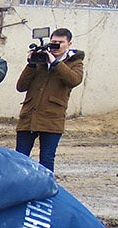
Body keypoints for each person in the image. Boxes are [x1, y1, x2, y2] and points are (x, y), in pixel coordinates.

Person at [15, 28, 84, 172]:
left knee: (46, 159)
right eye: (53, 42)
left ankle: (45, 191)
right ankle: (18, 189)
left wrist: (55, 63)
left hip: (52, 119)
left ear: (69, 44)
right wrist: (31, 64)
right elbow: (21, 86)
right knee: (20, 158)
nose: (56, 46)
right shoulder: (40, 59)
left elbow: (74, 80)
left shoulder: (75, 62)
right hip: (29, 116)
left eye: (61, 43)